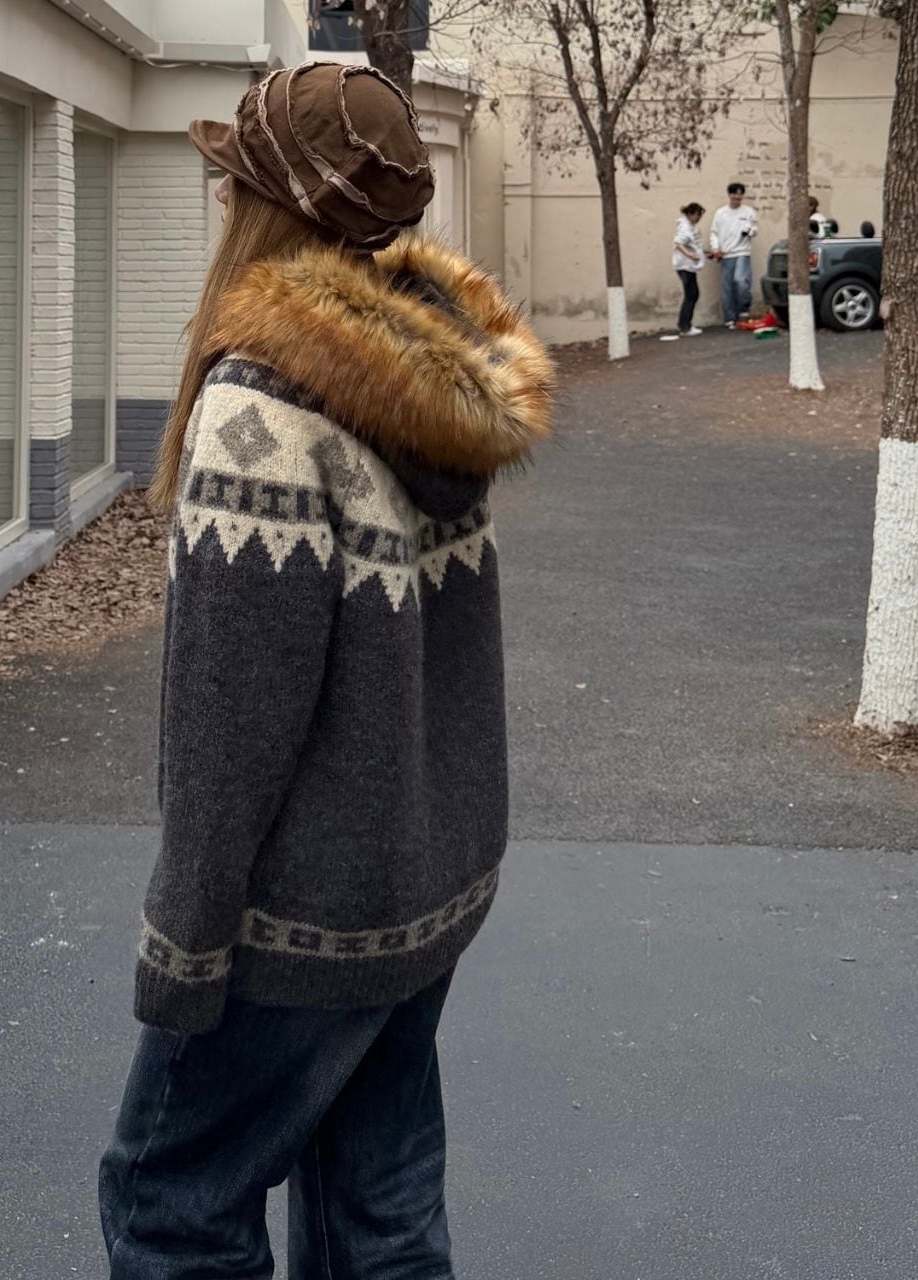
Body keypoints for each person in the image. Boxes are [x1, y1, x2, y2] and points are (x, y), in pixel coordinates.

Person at [98, 62, 554, 1280]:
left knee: (168, 1203)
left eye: (231, 180)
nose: (217, 199)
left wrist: (184, 940)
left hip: (297, 918)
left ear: (265, 207)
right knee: (378, 1213)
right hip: (419, 888)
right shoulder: (429, 377)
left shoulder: (262, 405)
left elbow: (231, 718)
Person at [709, 181, 759, 328]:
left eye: (739, 195)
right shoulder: (721, 213)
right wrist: (715, 248)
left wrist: (749, 231)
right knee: (727, 287)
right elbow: (714, 232)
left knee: (741, 281)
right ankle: (730, 318)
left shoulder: (749, 212)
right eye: (734, 195)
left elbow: (755, 229)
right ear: (729, 195)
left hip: (742, 251)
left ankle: (743, 309)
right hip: (726, 253)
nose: (737, 198)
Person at [665, 202, 706, 339]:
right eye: (697, 215)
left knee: (692, 294)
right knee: (691, 294)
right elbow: (678, 243)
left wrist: (704, 253)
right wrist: (690, 256)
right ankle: (684, 326)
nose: (698, 218)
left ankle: (686, 324)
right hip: (685, 266)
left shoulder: (691, 226)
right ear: (690, 214)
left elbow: (694, 245)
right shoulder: (684, 227)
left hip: (689, 266)